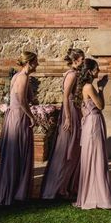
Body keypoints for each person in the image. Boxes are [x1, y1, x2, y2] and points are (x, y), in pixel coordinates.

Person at [0, 51, 38, 205]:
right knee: (18, 151)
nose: (37, 65)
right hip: (19, 116)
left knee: (15, 151)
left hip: (14, 115)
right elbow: (20, 100)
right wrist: (32, 116)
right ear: (30, 62)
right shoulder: (23, 77)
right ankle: (15, 191)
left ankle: (13, 189)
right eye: (36, 62)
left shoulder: (17, 76)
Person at [41, 48, 86, 200]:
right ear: (75, 60)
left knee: (72, 148)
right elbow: (66, 96)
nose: (83, 61)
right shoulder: (72, 74)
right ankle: (58, 188)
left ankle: (67, 185)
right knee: (67, 149)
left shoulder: (75, 73)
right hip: (70, 111)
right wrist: (67, 117)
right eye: (81, 59)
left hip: (75, 110)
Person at [74, 58, 111, 209]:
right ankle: (98, 197)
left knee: (93, 157)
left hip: (91, 122)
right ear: (90, 71)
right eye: (96, 69)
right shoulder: (89, 87)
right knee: (96, 158)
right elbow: (101, 105)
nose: (98, 71)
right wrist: (102, 89)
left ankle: (95, 194)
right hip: (93, 123)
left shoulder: (84, 86)